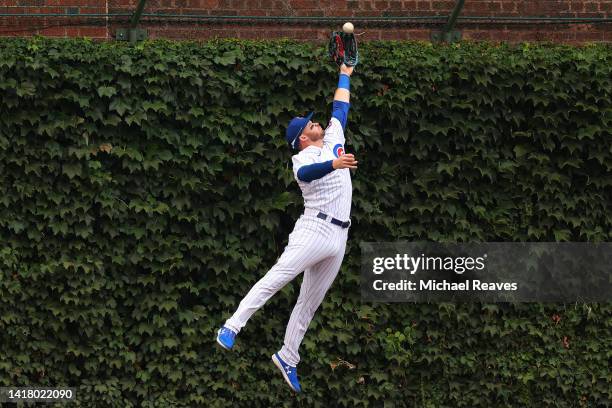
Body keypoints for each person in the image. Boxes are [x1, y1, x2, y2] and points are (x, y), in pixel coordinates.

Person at [216, 63, 357, 393]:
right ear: (303, 138)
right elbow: (310, 176)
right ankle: (232, 326)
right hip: (315, 229)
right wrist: (335, 163)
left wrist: (345, 72)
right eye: (310, 124)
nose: (316, 121)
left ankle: (288, 356)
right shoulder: (302, 160)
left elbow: (341, 106)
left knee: (310, 301)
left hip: (339, 235)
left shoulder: (333, 136)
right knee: (278, 277)